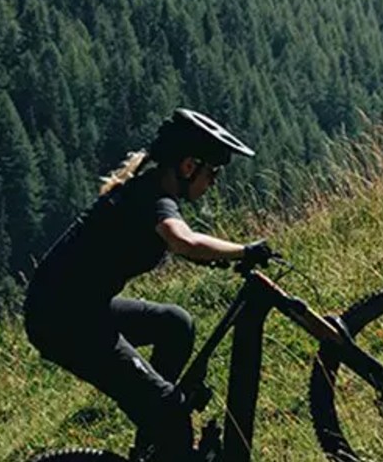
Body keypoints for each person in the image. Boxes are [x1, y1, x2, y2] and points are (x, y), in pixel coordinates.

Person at [23, 108, 277, 461]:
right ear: (188, 166)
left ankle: (154, 445)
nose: (214, 181)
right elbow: (183, 241)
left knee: (176, 325)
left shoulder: (150, 189)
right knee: (171, 412)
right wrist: (244, 250)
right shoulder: (153, 199)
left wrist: (221, 256)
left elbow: (176, 244)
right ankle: (164, 425)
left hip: (77, 306)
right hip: (64, 322)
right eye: (213, 172)